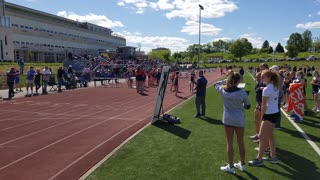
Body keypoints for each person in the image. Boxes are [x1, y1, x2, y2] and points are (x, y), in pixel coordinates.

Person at [214, 72, 251, 173]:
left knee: (229, 143)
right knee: (240, 141)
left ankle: (231, 167)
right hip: (239, 119)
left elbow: (215, 84)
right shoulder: (242, 93)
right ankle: (242, 165)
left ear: (229, 80)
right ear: (238, 81)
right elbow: (248, 106)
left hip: (228, 119)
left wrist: (225, 81)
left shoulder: (223, 90)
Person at [249, 69, 280, 166]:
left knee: (262, 137)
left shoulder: (267, 89)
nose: (261, 78)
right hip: (275, 113)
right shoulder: (275, 86)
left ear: (269, 78)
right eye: (261, 76)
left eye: (263, 76)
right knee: (270, 136)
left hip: (269, 114)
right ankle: (273, 157)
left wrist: (262, 117)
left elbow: (264, 105)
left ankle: (259, 159)